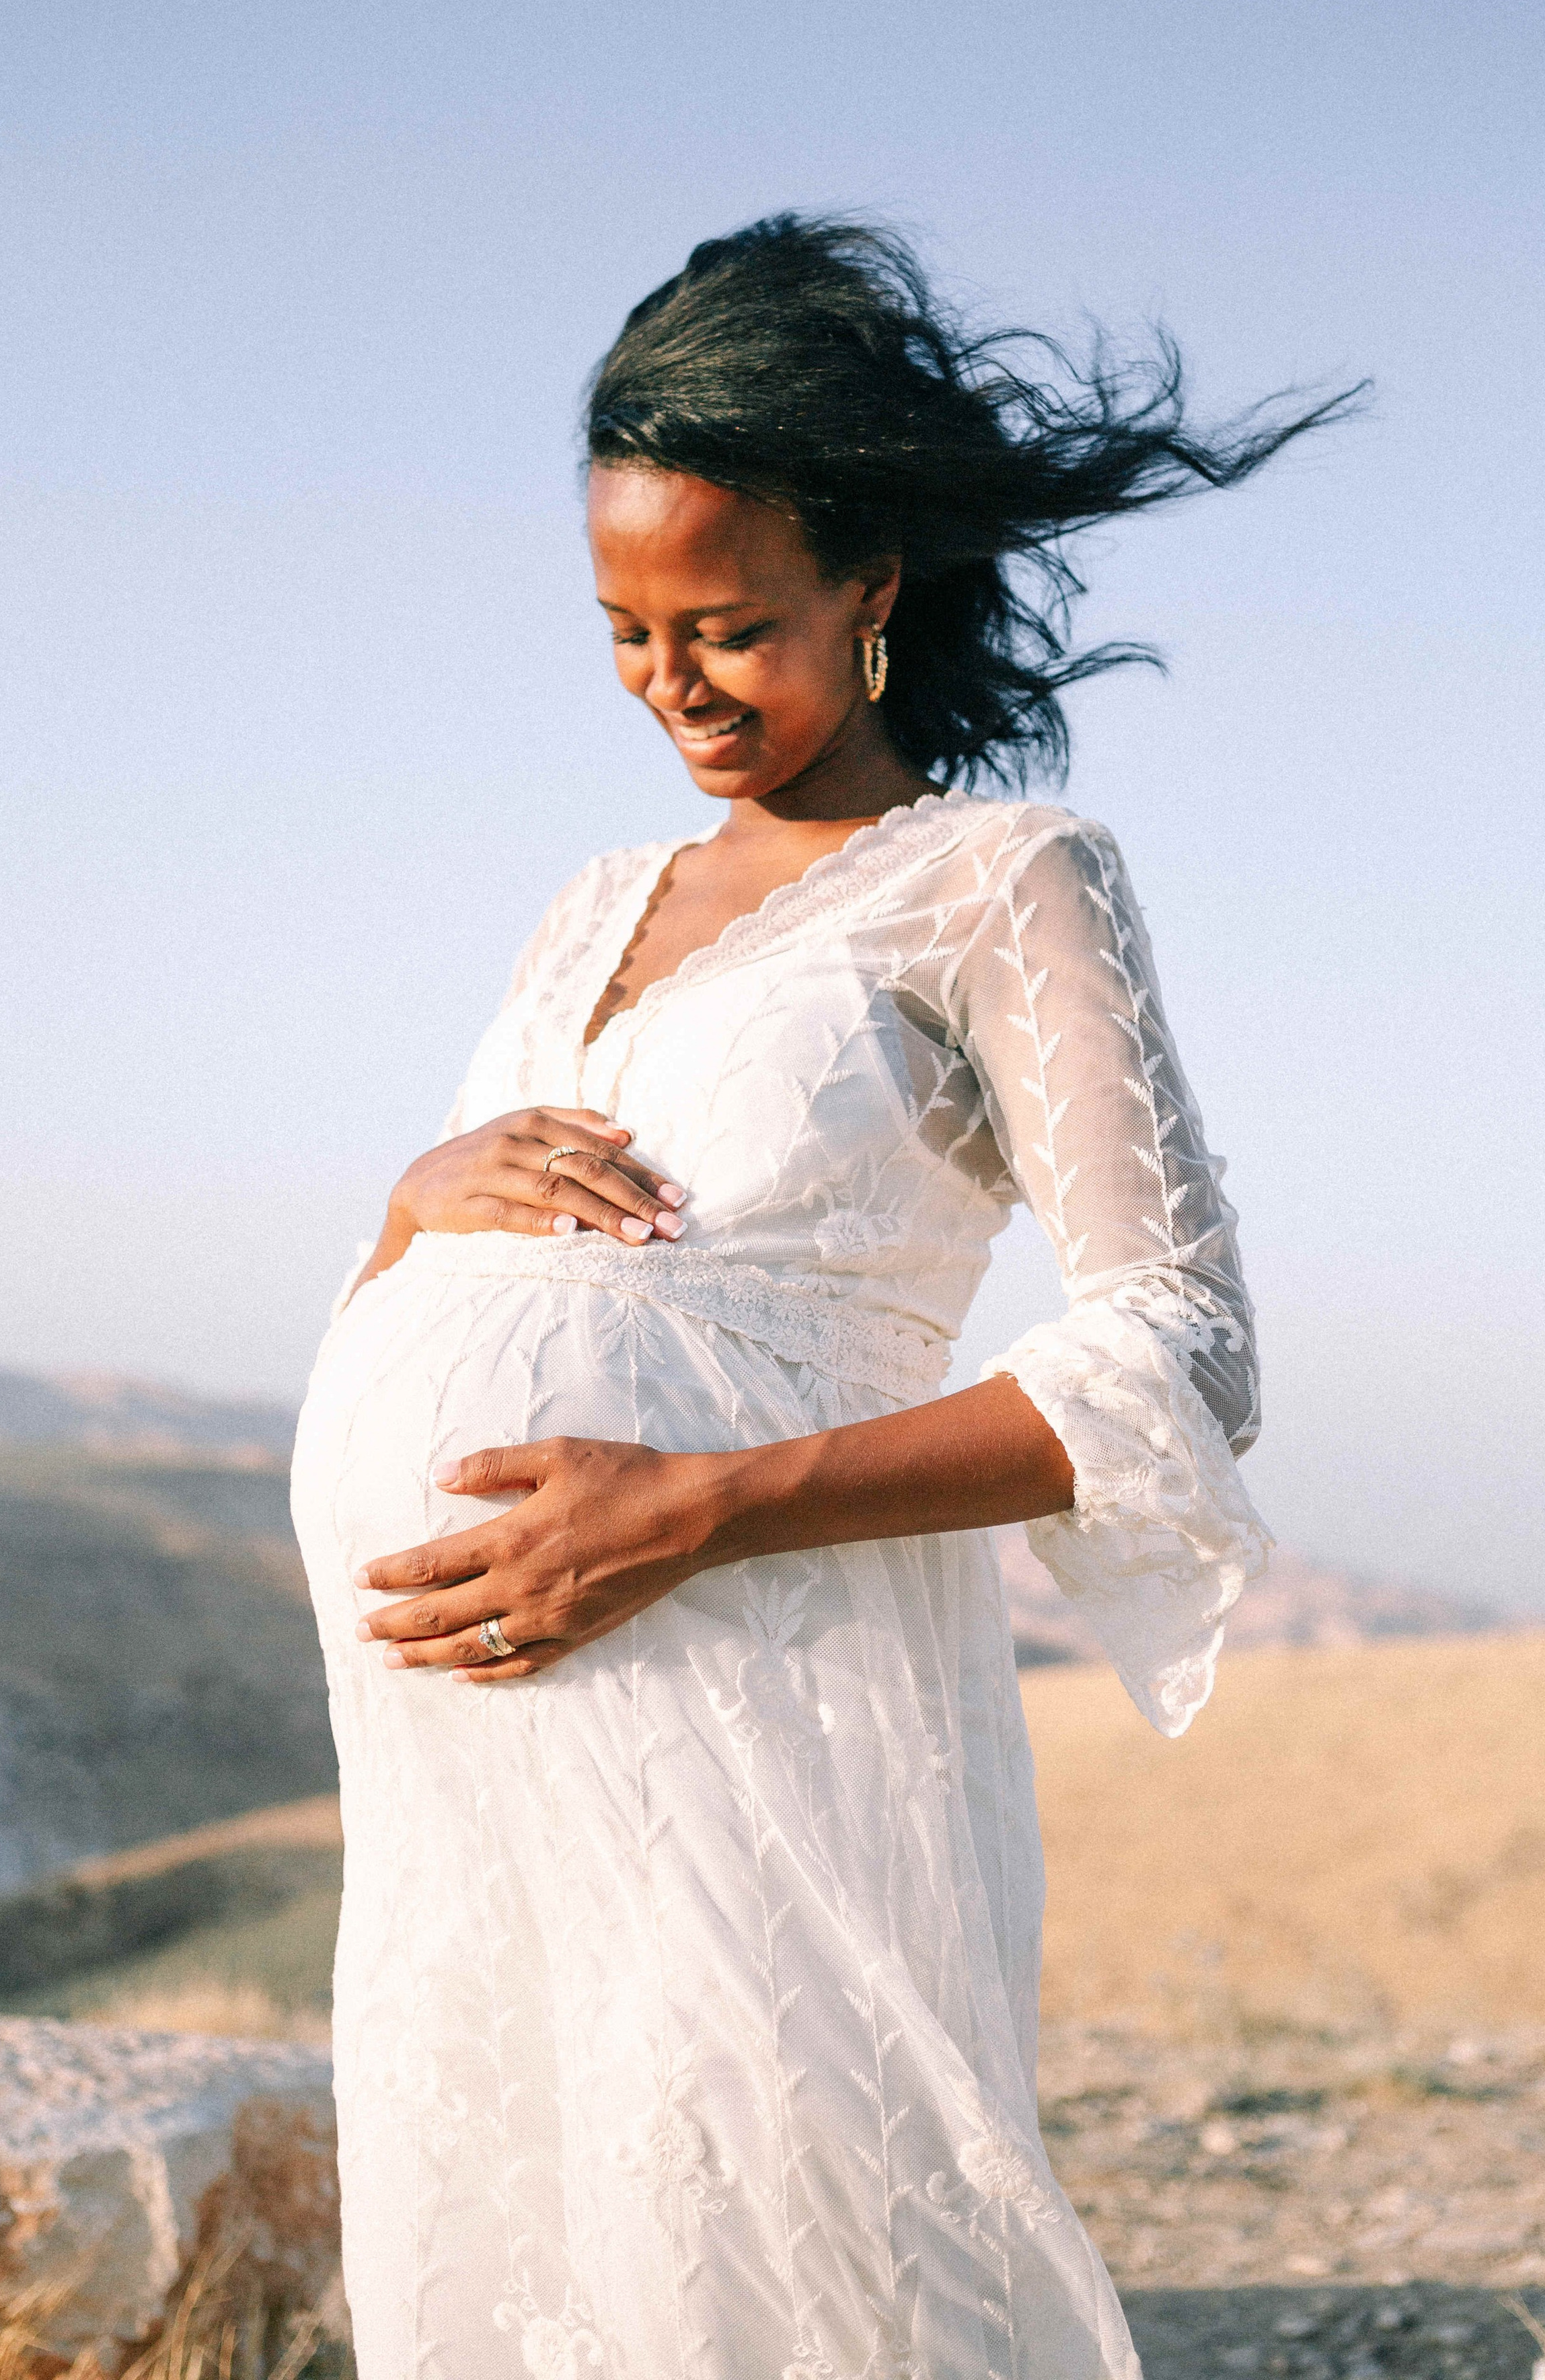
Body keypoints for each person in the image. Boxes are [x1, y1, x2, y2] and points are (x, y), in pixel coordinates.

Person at [290, 216, 1356, 2379]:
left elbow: (1188, 1352)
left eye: (730, 625)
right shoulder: (598, 901)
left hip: (763, 1698)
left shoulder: (1003, 881)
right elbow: (494, 1266)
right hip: (474, 1768)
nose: (672, 683)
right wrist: (412, 1198)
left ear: (872, 583)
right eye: (621, 631)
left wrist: (694, 1505)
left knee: (776, 2263)